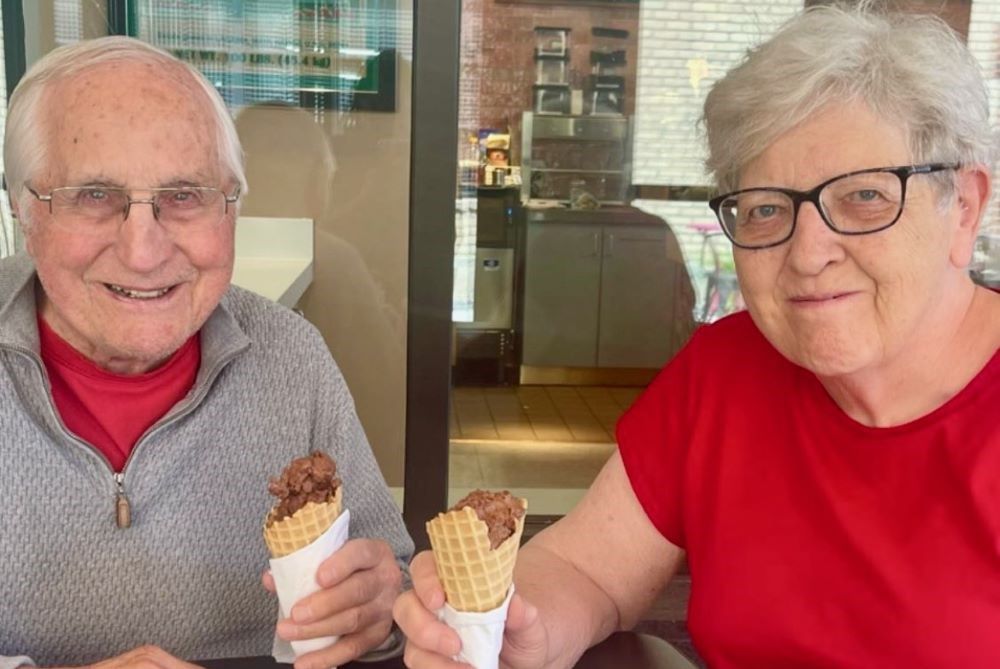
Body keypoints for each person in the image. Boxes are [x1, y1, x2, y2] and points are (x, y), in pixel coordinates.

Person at [393, 4, 1000, 668]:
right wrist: (513, 627)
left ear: (963, 207)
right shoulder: (727, 369)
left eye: (864, 196)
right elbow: (587, 568)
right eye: (767, 208)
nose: (808, 252)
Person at [0, 36, 413, 669]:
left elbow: (392, 587)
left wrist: (381, 613)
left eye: (184, 196)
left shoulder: (290, 357)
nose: (143, 251)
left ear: (233, 208)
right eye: (94, 196)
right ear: (22, 209)